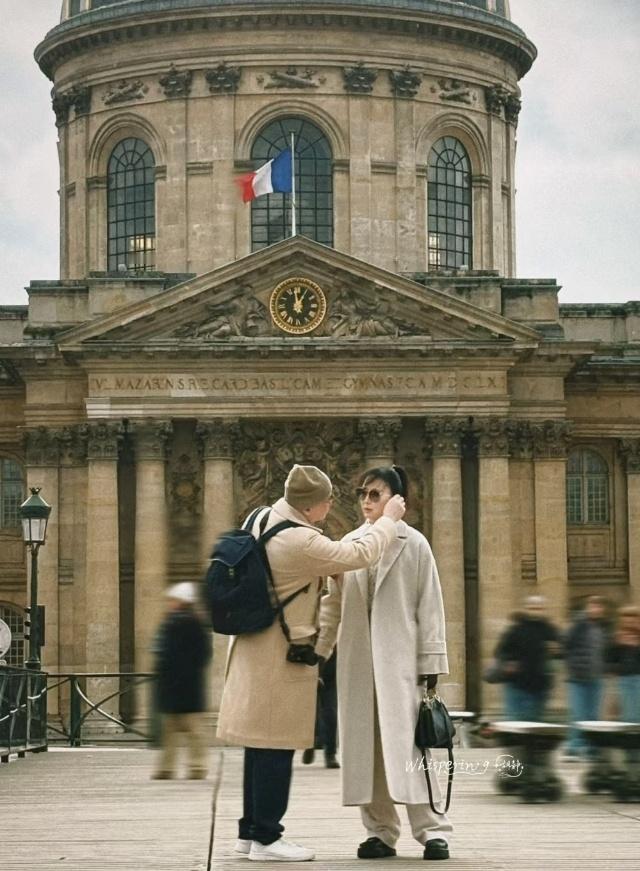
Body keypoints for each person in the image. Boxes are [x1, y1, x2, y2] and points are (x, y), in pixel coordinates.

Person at [216, 463, 406, 863]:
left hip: (253, 647)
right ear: (313, 506)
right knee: (278, 746)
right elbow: (362, 553)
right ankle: (268, 837)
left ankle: (249, 832)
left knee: (258, 743)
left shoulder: (261, 517)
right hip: (279, 656)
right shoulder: (300, 541)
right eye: (328, 502)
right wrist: (388, 521)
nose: (331, 507)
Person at [316, 465, 452, 862]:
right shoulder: (351, 544)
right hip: (359, 663)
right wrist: (319, 654)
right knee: (367, 750)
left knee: (411, 750)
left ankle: (432, 832)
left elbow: (431, 606)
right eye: (363, 494)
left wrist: (431, 665)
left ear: (397, 500)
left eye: (376, 494)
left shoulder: (416, 545)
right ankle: (380, 833)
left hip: (401, 666)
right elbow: (332, 606)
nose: (366, 501)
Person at [153, 582, 212, 780]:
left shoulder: (176, 623)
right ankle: (191, 766)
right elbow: (204, 654)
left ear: (181, 602)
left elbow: (166, 654)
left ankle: (174, 768)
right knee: (186, 730)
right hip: (188, 684)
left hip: (178, 684)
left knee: (179, 730)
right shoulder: (194, 622)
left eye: (173, 600)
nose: (170, 603)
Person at [494, 595, 560, 722]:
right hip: (516, 684)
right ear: (526, 609)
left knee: (534, 723)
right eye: (532, 608)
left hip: (540, 685)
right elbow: (500, 650)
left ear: (543, 609)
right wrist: (509, 662)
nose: (535, 611)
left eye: (538, 608)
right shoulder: (516, 629)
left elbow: (560, 653)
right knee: (515, 722)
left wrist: (556, 651)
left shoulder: (549, 630)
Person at [563, 595, 608, 759]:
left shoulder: (602, 627)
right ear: (588, 607)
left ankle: (590, 748)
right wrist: (574, 666)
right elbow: (565, 646)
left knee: (593, 715)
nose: (597, 609)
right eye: (594, 606)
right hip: (578, 678)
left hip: (595, 677)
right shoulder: (577, 626)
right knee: (577, 714)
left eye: (599, 606)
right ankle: (573, 748)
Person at [302, 648, 339, 768]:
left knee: (316, 707)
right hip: (327, 653)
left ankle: (312, 742)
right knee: (327, 708)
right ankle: (329, 754)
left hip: (317, 654)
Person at [607, 605, 640, 725]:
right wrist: (618, 645)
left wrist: (636, 645)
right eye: (626, 617)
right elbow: (610, 658)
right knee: (628, 712)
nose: (629, 621)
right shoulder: (617, 636)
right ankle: (630, 738)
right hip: (624, 678)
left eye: (632, 617)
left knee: (636, 710)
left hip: (638, 677)